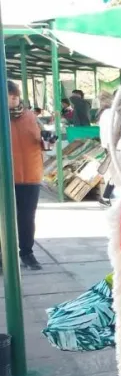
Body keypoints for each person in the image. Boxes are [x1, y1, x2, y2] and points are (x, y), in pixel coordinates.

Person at [6, 81, 44, 270]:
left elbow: (41, 140)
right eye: (10, 95)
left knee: (27, 216)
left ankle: (27, 253)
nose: (15, 99)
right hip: (4, 177)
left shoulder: (30, 116)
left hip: (30, 175)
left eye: (16, 95)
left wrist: (47, 140)